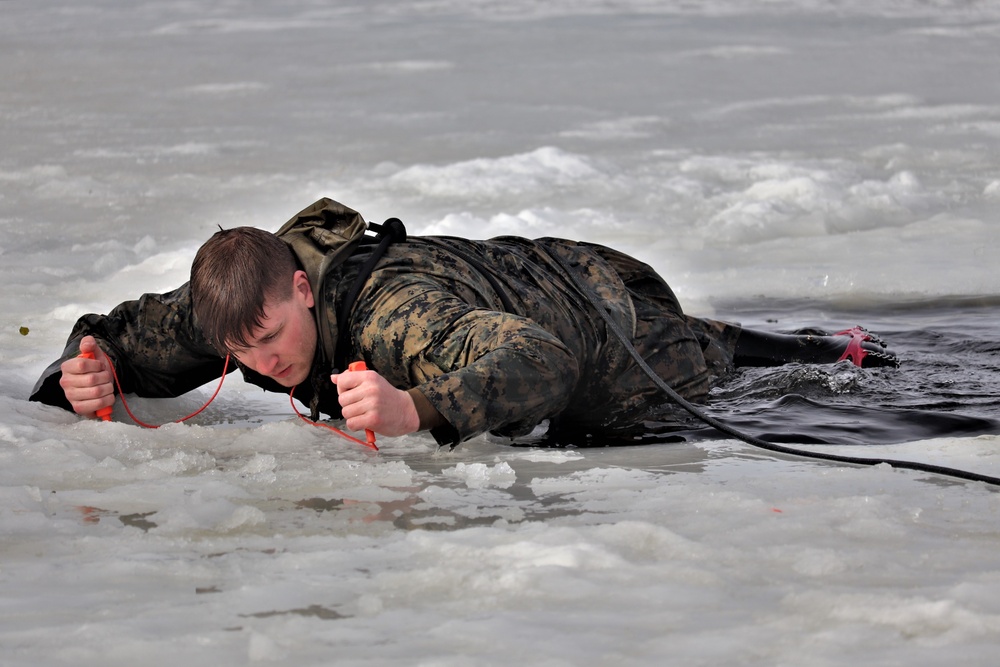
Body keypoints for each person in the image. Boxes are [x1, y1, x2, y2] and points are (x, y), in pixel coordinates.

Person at [29, 198, 898, 446]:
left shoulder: (393, 318)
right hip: (504, 282)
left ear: (301, 288)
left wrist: (417, 410)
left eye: (270, 338)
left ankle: (833, 346)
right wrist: (83, 366)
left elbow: (543, 359)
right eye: (240, 350)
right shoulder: (224, 309)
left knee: (707, 362)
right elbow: (111, 330)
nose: (263, 359)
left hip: (596, 323)